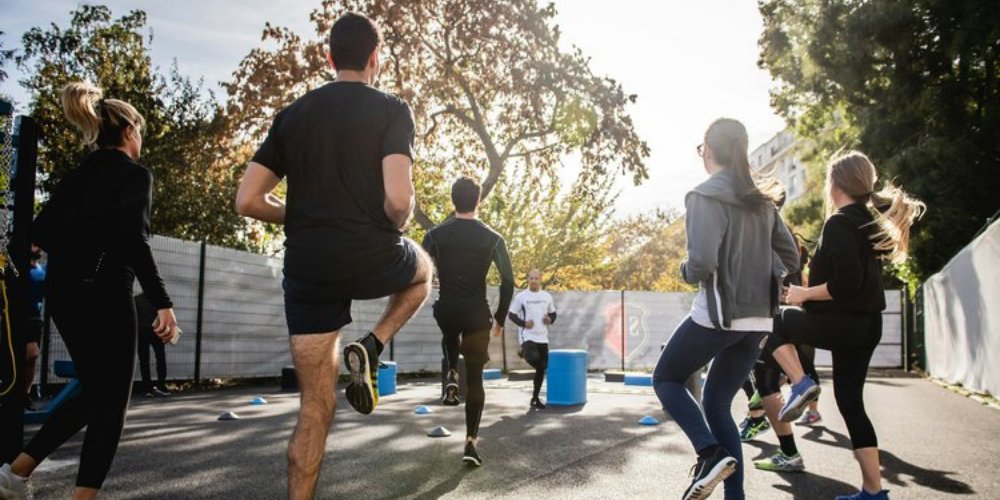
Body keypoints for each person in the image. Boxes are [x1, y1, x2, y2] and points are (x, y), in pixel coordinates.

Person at [234, 12, 432, 500]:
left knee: (313, 409)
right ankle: (373, 343)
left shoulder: (294, 115)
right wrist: (396, 223)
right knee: (424, 271)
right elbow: (399, 201)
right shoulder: (392, 109)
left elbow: (248, 201)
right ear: (374, 58)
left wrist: (298, 215)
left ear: (329, 58)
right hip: (370, 252)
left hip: (308, 269)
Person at [0, 82, 178, 500]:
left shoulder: (76, 177)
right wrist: (163, 302)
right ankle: (63, 490)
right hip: (106, 296)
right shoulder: (135, 175)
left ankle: (15, 474)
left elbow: (37, 233)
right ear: (130, 132)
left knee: (98, 393)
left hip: (65, 298)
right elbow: (134, 241)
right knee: (111, 403)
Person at [760, 151, 924, 500]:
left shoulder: (839, 223)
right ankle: (872, 491)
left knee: (771, 321)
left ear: (836, 185)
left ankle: (802, 382)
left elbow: (846, 283)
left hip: (843, 324)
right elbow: (856, 280)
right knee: (850, 402)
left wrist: (803, 293)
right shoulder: (866, 222)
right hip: (866, 326)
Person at [651, 118, 799, 500]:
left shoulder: (704, 195)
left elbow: (699, 264)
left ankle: (709, 451)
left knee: (666, 377)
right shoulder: (762, 201)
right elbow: (791, 256)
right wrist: (767, 277)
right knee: (717, 403)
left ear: (710, 151)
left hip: (719, 315)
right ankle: (735, 496)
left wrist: (684, 269)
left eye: (702, 150)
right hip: (758, 321)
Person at [422, 176, 515, 466]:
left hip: (447, 308)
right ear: (478, 200)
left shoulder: (435, 235)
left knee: (449, 329)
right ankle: (471, 443)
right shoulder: (494, 238)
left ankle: (451, 371)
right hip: (477, 314)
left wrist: (434, 280)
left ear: (452, 200)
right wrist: (500, 317)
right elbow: (509, 281)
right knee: (475, 379)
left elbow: (419, 270)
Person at [508, 269, 557, 409]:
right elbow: (511, 315)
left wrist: (550, 320)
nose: (534, 280)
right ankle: (524, 351)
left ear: (540, 278)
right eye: (531, 278)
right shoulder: (521, 297)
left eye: (536, 278)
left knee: (542, 368)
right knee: (535, 360)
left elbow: (553, 314)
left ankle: (535, 398)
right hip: (528, 336)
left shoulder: (547, 296)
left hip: (543, 337)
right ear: (528, 279)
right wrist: (524, 324)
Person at [134, 293, 170, 397]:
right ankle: (161, 386)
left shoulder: (136, 300)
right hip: (157, 333)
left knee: (144, 361)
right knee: (160, 358)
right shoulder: (158, 299)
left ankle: (148, 389)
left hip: (142, 333)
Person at [24, 244, 46, 411]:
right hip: (18, 318)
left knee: (32, 359)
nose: (38, 248)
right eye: (34, 245)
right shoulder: (17, 268)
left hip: (35, 319)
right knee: (30, 354)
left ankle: (25, 394)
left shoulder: (41, 270)